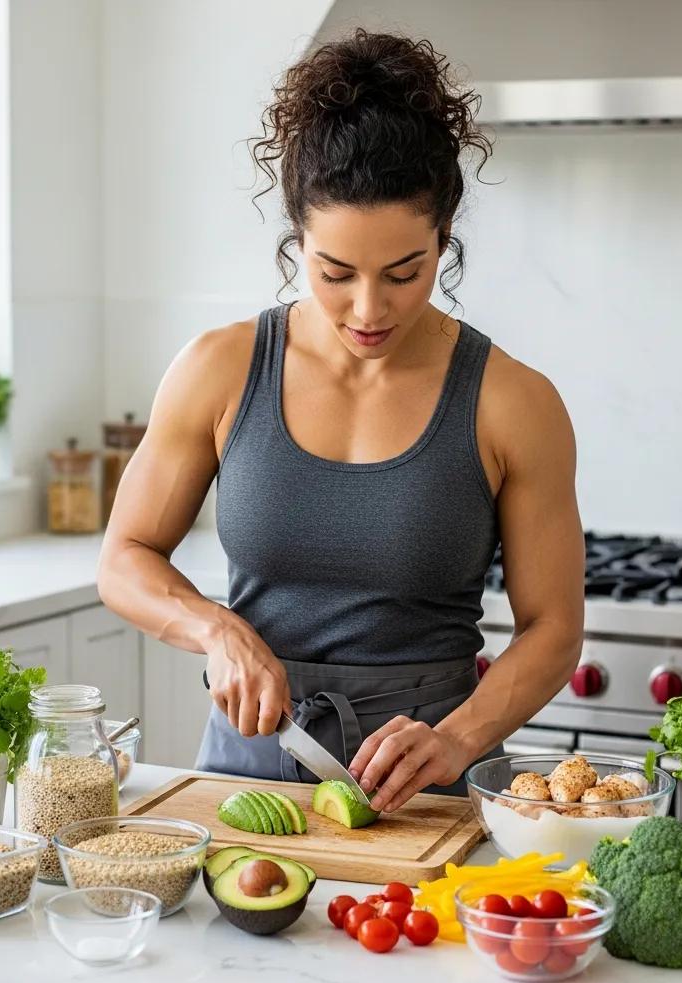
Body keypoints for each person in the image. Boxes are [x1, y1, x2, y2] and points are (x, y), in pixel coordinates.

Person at [97, 28, 584, 814]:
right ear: (298, 239)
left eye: (404, 273)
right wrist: (216, 630)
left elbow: (554, 628)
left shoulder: (513, 402)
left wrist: (459, 740)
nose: (368, 308)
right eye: (334, 273)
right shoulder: (219, 370)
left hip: (430, 789)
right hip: (245, 777)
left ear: (444, 239)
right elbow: (124, 558)